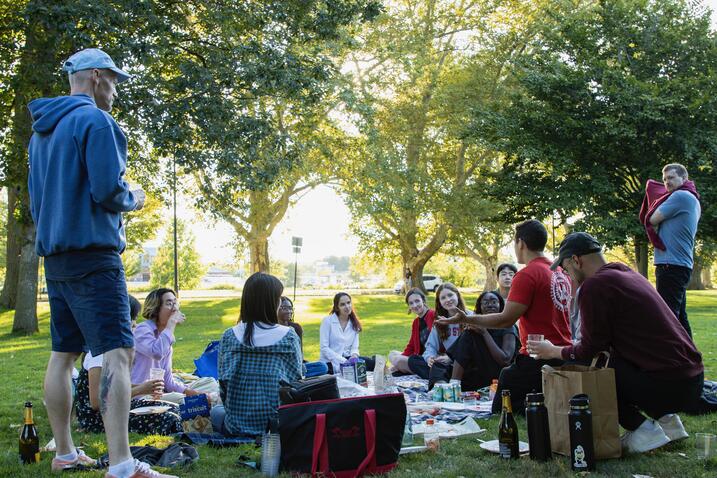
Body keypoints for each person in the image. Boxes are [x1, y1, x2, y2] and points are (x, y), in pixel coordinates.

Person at [27, 48, 174, 478]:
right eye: (113, 79)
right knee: (118, 354)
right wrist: (136, 199)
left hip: (55, 259)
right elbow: (108, 190)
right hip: (94, 255)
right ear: (94, 77)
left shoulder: (41, 134)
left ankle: (66, 452)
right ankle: (124, 464)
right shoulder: (95, 121)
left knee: (63, 354)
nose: (116, 89)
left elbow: (39, 202)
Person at [528, 232, 704, 454]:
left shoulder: (594, 286)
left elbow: (589, 350)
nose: (568, 275)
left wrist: (552, 350)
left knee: (587, 371)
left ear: (576, 260)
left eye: (565, 268)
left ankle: (643, 430)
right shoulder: (627, 273)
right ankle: (670, 424)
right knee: (614, 358)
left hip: (668, 385)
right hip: (691, 378)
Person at [437, 220, 572, 413]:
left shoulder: (527, 275)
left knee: (501, 404)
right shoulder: (560, 273)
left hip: (538, 357)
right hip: (561, 353)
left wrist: (466, 318)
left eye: (514, 243)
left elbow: (505, 319)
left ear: (521, 243)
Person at [212, 272, 303, 436]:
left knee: (216, 411)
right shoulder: (289, 336)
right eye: (279, 298)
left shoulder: (229, 336)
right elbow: (296, 383)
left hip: (236, 427)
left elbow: (224, 386)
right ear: (270, 302)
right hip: (276, 426)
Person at [76, 296, 182, 435]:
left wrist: (144, 388)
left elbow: (113, 387)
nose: (135, 326)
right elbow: (97, 403)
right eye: (133, 321)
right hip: (98, 418)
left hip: (117, 408)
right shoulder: (99, 355)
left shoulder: (115, 350)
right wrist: (140, 389)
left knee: (173, 408)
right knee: (166, 417)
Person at [645, 164, 701, 337]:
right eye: (664, 179)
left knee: (667, 318)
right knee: (679, 319)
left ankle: (672, 360)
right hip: (678, 265)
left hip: (671, 266)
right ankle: (691, 359)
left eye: (671, 178)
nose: (666, 182)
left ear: (684, 179)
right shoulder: (691, 197)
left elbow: (652, 219)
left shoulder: (680, 196)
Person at [132, 289, 203, 398]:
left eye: (175, 303)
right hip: (140, 395)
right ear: (155, 309)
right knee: (180, 399)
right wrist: (171, 323)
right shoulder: (142, 329)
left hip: (159, 393)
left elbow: (168, 382)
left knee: (210, 384)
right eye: (169, 304)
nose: (175, 309)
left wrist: (197, 395)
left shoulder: (166, 337)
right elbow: (157, 353)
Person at [448, 291, 518, 391]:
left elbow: (505, 360)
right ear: (480, 307)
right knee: (439, 365)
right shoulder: (475, 328)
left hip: (500, 375)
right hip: (479, 373)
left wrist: (484, 332)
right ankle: (454, 385)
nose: (490, 305)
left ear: (500, 305)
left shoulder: (508, 326)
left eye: (494, 302)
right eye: (485, 302)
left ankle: (454, 384)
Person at [407, 283, 465, 387]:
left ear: (457, 295)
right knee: (415, 360)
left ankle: (443, 381)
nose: (447, 300)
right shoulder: (440, 322)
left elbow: (472, 347)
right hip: (447, 365)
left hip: (466, 365)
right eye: (443, 298)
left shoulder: (470, 317)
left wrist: (451, 357)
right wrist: (430, 357)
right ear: (440, 302)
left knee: (438, 368)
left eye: (450, 295)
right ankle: (441, 385)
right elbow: (430, 346)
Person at [319, 292, 375, 373]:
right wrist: (343, 361)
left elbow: (354, 347)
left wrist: (354, 356)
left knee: (373, 362)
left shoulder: (354, 323)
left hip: (348, 359)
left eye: (348, 303)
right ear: (337, 307)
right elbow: (324, 348)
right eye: (342, 304)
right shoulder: (327, 321)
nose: (347, 307)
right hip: (330, 362)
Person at [388, 288, 436, 375]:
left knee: (398, 360)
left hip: (429, 361)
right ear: (409, 306)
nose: (415, 305)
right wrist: (401, 358)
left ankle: (403, 367)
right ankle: (402, 367)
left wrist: (399, 361)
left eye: (417, 301)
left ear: (423, 300)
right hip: (418, 358)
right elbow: (411, 346)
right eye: (411, 303)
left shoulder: (433, 315)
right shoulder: (416, 322)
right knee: (392, 354)